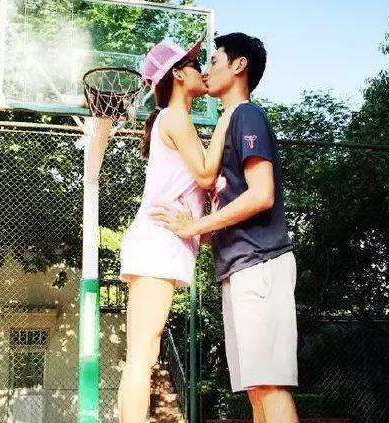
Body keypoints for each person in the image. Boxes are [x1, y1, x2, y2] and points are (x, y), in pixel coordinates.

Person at [151, 32, 299, 423]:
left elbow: (262, 194)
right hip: (238, 267)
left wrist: (194, 226)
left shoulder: (248, 115)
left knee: (270, 386)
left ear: (239, 65)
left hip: (260, 261)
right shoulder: (229, 121)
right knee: (257, 389)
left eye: (214, 60)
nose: (205, 68)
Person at [117, 34, 235, 422]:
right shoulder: (175, 116)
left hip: (158, 244)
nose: (202, 70)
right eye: (195, 64)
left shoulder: (173, 120)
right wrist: (227, 118)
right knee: (141, 355)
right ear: (179, 75)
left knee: (145, 353)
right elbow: (205, 174)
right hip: (156, 242)